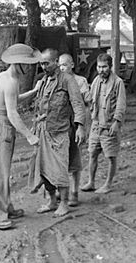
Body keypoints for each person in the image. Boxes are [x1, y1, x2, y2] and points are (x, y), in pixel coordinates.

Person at [0, 44, 42, 230]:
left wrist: (32, 92)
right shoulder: (10, 81)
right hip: (0, 126)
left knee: (3, 172)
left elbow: (13, 99)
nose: (30, 66)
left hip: (0, 125)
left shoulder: (8, 77)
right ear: (19, 63)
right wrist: (30, 135)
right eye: (28, 62)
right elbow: (12, 113)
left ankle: (6, 207)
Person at [30, 48, 86, 217]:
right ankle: (52, 200)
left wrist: (81, 126)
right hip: (43, 131)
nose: (43, 66)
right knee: (43, 168)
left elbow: (78, 104)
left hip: (61, 131)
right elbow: (40, 104)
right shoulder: (44, 80)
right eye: (41, 63)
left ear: (55, 61)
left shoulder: (67, 79)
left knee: (60, 169)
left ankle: (64, 203)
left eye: (46, 63)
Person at [81, 53, 126, 194]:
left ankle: (108, 184)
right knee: (92, 154)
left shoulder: (118, 83)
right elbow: (90, 100)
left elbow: (121, 104)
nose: (101, 70)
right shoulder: (96, 81)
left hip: (109, 126)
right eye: (99, 67)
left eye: (104, 67)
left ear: (110, 67)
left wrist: (116, 122)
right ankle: (91, 182)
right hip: (96, 125)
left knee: (111, 156)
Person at [58, 53, 91, 207]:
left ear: (72, 64)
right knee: (60, 161)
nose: (62, 67)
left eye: (64, 64)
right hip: (60, 127)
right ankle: (62, 191)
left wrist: (82, 127)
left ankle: (74, 192)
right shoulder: (57, 82)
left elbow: (87, 106)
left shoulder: (80, 81)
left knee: (74, 161)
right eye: (60, 65)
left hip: (74, 126)